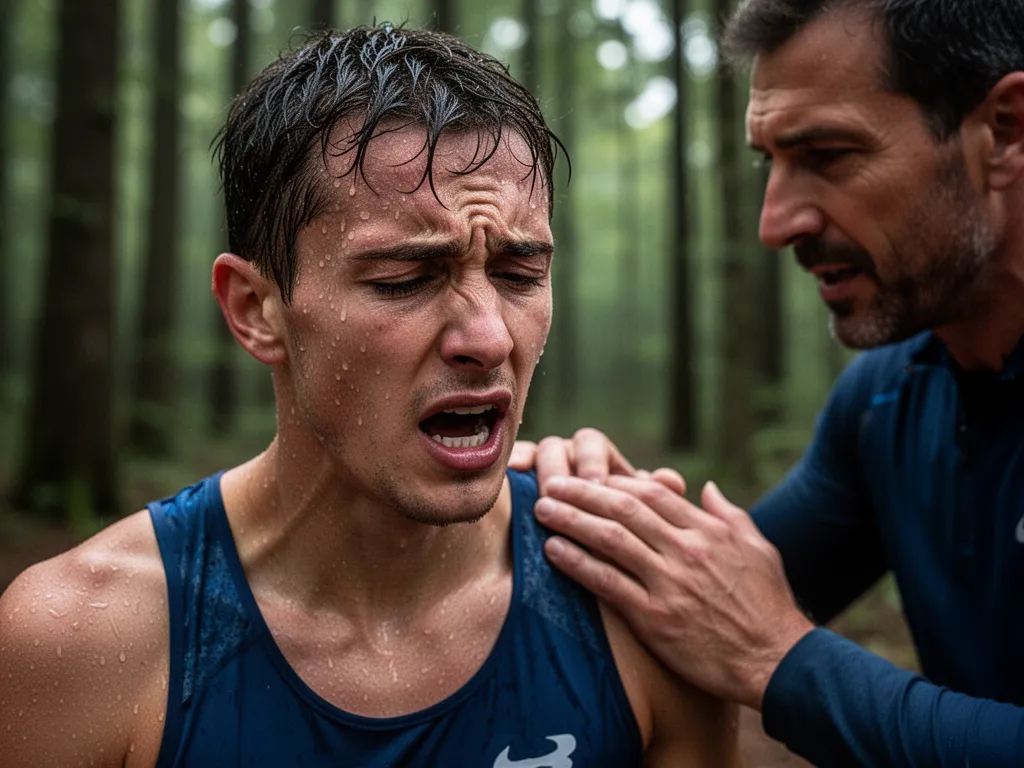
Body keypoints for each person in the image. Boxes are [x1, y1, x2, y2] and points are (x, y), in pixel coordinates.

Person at [0, 25, 738, 768]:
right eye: (404, 280)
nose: (489, 338)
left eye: (520, 274)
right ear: (257, 309)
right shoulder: (78, 640)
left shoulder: (638, 603)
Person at [511, 0, 1024, 765]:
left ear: (1005, 129)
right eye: (770, 161)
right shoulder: (887, 400)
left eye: (828, 154)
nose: (775, 222)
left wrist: (780, 661)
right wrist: (574, 508)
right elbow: (707, 599)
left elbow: (751, 632)